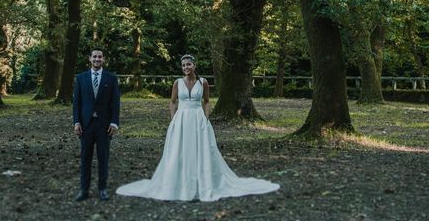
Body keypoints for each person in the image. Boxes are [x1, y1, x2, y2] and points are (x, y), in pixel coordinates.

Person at [116, 54, 279, 202]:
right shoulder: (177, 83)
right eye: (183, 65)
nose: (186, 67)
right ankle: (178, 183)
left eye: (188, 64)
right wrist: (174, 119)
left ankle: (203, 182)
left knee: (200, 150)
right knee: (179, 151)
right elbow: (172, 102)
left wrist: (206, 117)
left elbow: (207, 101)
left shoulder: (203, 82)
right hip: (181, 119)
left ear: (194, 66)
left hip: (198, 119)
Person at [73, 48, 121, 201]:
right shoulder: (81, 78)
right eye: (94, 56)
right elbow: (76, 103)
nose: (97, 59)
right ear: (89, 58)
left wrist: (114, 123)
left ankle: (102, 189)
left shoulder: (111, 78)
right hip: (86, 125)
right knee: (85, 158)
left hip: (104, 125)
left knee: (103, 158)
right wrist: (76, 122)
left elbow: (116, 103)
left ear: (103, 59)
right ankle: (84, 190)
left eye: (100, 57)